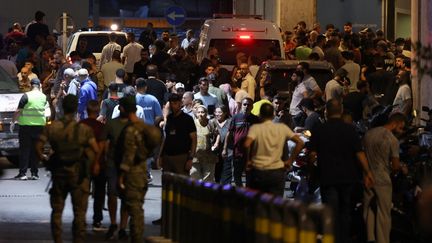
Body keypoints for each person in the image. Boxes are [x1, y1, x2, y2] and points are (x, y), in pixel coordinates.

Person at [308, 99, 374, 243]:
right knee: (345, 212)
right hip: (348, 178)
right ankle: (343, 239)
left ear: (326, 111)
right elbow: (359, 153)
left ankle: (332, 238)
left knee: (330, 213)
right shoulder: (349, 129)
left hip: (328, 177)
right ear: (341, 111)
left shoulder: (319, 129)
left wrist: (311, 171)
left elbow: (312, 155)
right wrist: (368, 172)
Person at [36, 94, 99, 243]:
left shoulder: (52, 127)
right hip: (78, 175)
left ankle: (58, 239)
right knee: (79, 213)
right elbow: (95, 149)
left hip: (59, 173)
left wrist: (45, 160)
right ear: (76, 108)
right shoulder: (83, 129)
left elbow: (38, 147)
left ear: (63, 108)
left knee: (57, 211)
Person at [117, 96, 161, 242]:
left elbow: (129, 154)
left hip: (132, 173)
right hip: (142, 171)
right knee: (137, 206)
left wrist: (122, 174)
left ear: (123, 109)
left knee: (134, 209)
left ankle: (136, 237)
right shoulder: (145, 128)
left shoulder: (130, 129)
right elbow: (156, 139)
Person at [363, 113, 408, 243]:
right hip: (382, 179)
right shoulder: (392, 140)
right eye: (402, 126)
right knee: (384, 213)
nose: (402, 129)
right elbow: (395, 165)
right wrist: (402, 168)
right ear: (397, 122)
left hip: (368, 177)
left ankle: (370, 238)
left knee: (369, 209)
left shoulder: (369, 134)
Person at [244, 103, 304, 196]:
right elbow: (300, 142)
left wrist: (248, 162)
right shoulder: (282, 128)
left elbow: (247, 145)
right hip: (277, 172)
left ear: (260, 115)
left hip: (259, 171)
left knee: (259, 202)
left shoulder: (255, 128)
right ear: (273, 115)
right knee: (275, 203)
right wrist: (290, 160)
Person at [12, 78, 50, 180]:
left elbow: (18, 111)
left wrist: (13, 122)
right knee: (36, 150)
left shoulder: (26, 96)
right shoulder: (44, 97)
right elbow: (48, 113)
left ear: (30, 85)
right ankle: (34, 173)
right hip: (40, 128)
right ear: (39, 85)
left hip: (26, 127)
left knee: (25, 150)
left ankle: (23, 173)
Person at [79, 100, 106, 231]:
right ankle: (97, 220)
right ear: (97, 112)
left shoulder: (80, 125)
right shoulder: (100, 127)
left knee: (83, 193)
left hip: (82, 163)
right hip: (99, 163)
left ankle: (81, 219)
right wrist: (97, 162)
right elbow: (101, 147)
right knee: (99, 193)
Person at [223, 97, 260, 186]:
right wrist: (225, 148)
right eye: (244, 104)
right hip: (238, 151)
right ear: (241, 105)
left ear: (252, 107)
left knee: (250, 175)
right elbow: (229, 133)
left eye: (249, 105)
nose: (246, 106)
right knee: (237, 174)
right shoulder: (235, 118)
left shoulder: (255, 120)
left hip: (251, 153)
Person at [159, 93, 197, 175]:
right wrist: (160, 156)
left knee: (181, 185)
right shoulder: (169, 118)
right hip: (167, 157)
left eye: (175, 103)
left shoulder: (188, 119)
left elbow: (194, 139)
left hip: (182, 157)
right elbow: (165, 138)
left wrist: (190, 159)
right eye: (171, 103)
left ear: (180, 103)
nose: (173, 106)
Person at [190, 105, 218, 182]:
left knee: (208, 177)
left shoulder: (211, 123)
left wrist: (216, 143)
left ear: (206, 113)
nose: (200, 114)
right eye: (198, 112)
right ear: (196, 114)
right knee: (194, 173)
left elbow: (217, 134)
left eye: (202, 112)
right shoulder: (192, 124)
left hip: (209, 155)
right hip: (195, 154)